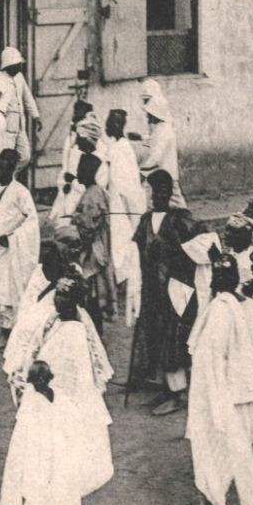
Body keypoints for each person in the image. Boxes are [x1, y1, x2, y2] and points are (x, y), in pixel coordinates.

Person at [0, 279, 114, 505]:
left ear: (74, 301)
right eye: (57, 295)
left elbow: (76, 376)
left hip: (60, 405)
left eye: (63, 296)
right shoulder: (54, 321)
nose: (57, 299)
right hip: (45, 400)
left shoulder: (75, 333)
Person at [185, 253, 253, 505]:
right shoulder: (246, 304)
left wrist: (215, 397)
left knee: (233, 445)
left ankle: (240, 498)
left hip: (232, 391)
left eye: (223, 277)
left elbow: (212, 360)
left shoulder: (223, 309)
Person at [127, 169, 200, 414]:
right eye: (154, 190)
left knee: (174, 339)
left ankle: (178, 393)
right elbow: (139, 253)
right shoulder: (146, 220)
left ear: (170, 193)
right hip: (152, 290)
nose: (158, 195)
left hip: (176, 288)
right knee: (155, 336)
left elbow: (195, 252)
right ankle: (165, 388)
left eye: (163, 191)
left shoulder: (181, 220)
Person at [0, 149, 39, 331]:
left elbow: (31, 222)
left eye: (1, 168)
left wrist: (12, 238)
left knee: (5, 290)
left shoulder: (21, 193)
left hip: (8, 251)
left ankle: (8, 329)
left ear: (11, 169)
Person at [103, 109, 145, 325]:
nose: (111, 126)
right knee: (117, 244)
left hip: (123, 204)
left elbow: (127, 182)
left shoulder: (123, 149)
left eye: (115, 123)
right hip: (114, 202)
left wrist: (131, 211)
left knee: (124, 243)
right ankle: (122, 286)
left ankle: (128, 286)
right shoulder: (113, 147)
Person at [138, 80, 180, 203]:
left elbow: (156, 155)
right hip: (160, 174)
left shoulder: (164, 130)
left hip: (166, 174)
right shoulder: (159, 127)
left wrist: (142, 173)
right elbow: (154, 141)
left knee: (176, 204)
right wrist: (141, 138)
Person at [0, 46, 41, 163]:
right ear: (9, 65)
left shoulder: (19, 77)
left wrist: (35, 116)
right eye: (17, 64)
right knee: (6, 159)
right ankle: (6, 179)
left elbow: (27, 98)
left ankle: (11, 177)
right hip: (6, 128)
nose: (20, 67)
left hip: (20, 126)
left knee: (25, 157)